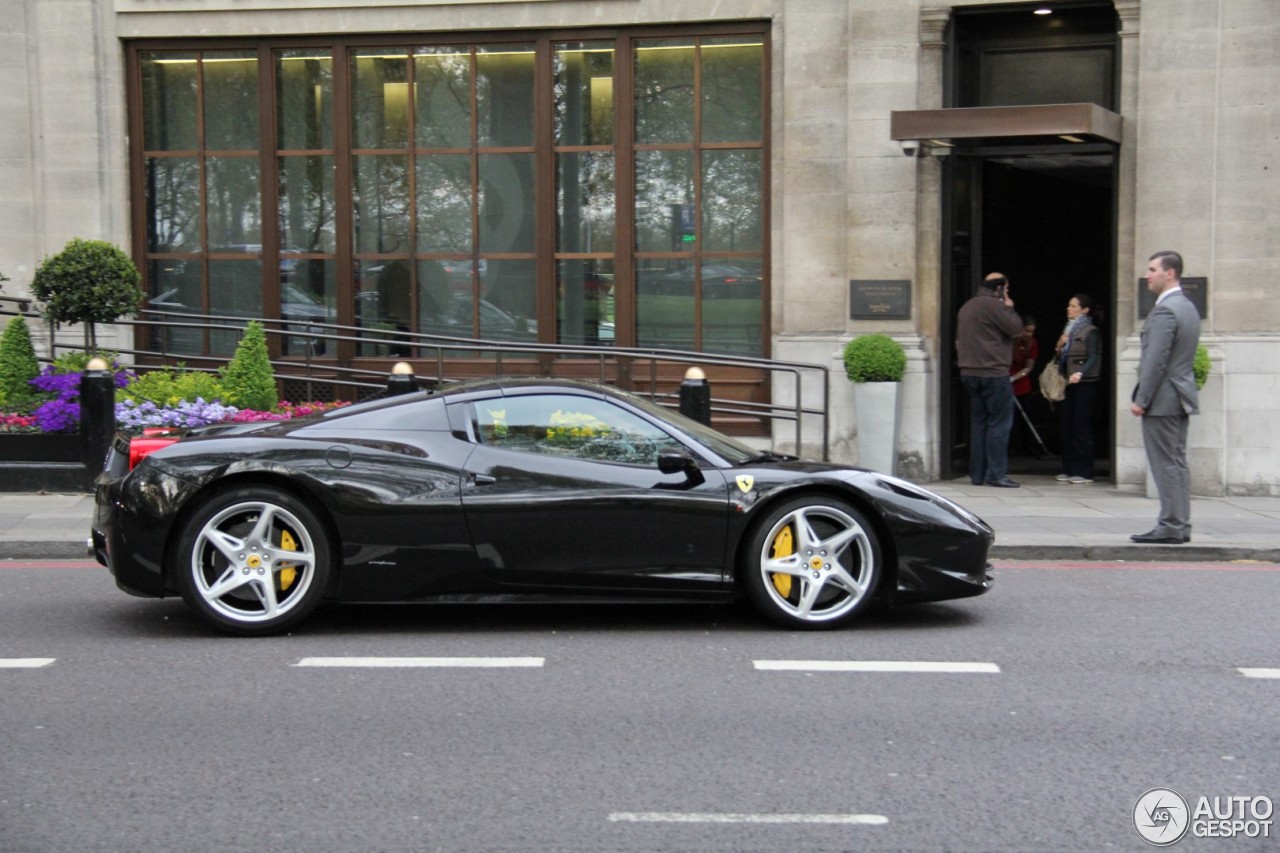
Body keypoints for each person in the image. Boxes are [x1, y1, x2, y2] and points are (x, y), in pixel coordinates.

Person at [1130, 250, 1200, 544]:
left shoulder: (1165, 311)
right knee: (1177, 462)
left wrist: (1141, 399)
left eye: (1152, 269)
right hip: (1180, 396)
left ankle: (1171, 525)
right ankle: (1179, 524)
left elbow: (1155, 361)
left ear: (1169, 273)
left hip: (1162, 401)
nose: (1147, 275)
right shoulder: (1187, 307)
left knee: (1166, 464)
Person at [956, 272, 1024, 488]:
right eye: (1007, 289)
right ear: (999, 288)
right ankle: (996, 474)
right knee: (999, 424)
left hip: (969, 372)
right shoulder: (995, 305)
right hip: (993, 373)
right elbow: (1016, 329)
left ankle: (978, 474)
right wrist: (1009, 307)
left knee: (979, 424)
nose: (1007, 293)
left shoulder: (967, 306)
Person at [1053, 295, 1101, 484]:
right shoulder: (1068, 331)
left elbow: (1094, 356)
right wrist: (1059, 346)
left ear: (1085, 310)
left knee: (1082, 426)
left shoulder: (1091, 331)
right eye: (1068, 305)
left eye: (1073, 306)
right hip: (1068, 382)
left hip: (1085, 383)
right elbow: (1061, 358)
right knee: (1067, 425)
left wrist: (1080, 373)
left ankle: (1084, 471)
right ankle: (1068, 468)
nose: (1068, 309)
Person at [1008, 315, 1039, 454]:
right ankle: (1012, 447)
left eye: (1031, 331)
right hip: (1005, 381)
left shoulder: (1033, 343)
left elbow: (1028, 367)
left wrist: (1014, 378)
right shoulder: (1010, 341)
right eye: (1026, 330)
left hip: (1022, 383)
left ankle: (1029, 447)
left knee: (1026, 416)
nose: (1028, 334)